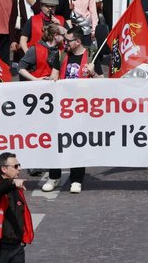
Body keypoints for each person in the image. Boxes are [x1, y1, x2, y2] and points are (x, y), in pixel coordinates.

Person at [44, 29, 101, 193]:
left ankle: (77, 179)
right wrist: (51, 80)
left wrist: (93, 73)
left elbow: (103, 82)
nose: (65, 43)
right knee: (57, 143)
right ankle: (54, 176)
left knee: (78, 142)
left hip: (82, 108)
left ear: (78, 41)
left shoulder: (91, 57)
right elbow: (54, 75)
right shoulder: (61, 56)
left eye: (68, 41)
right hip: (62, 107)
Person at [0, 152, 34, 263]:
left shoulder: (17, 189)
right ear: (4, 169)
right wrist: (12, 183)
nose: (19, 169)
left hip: (16, 248)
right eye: (15, 166)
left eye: (19, 165)